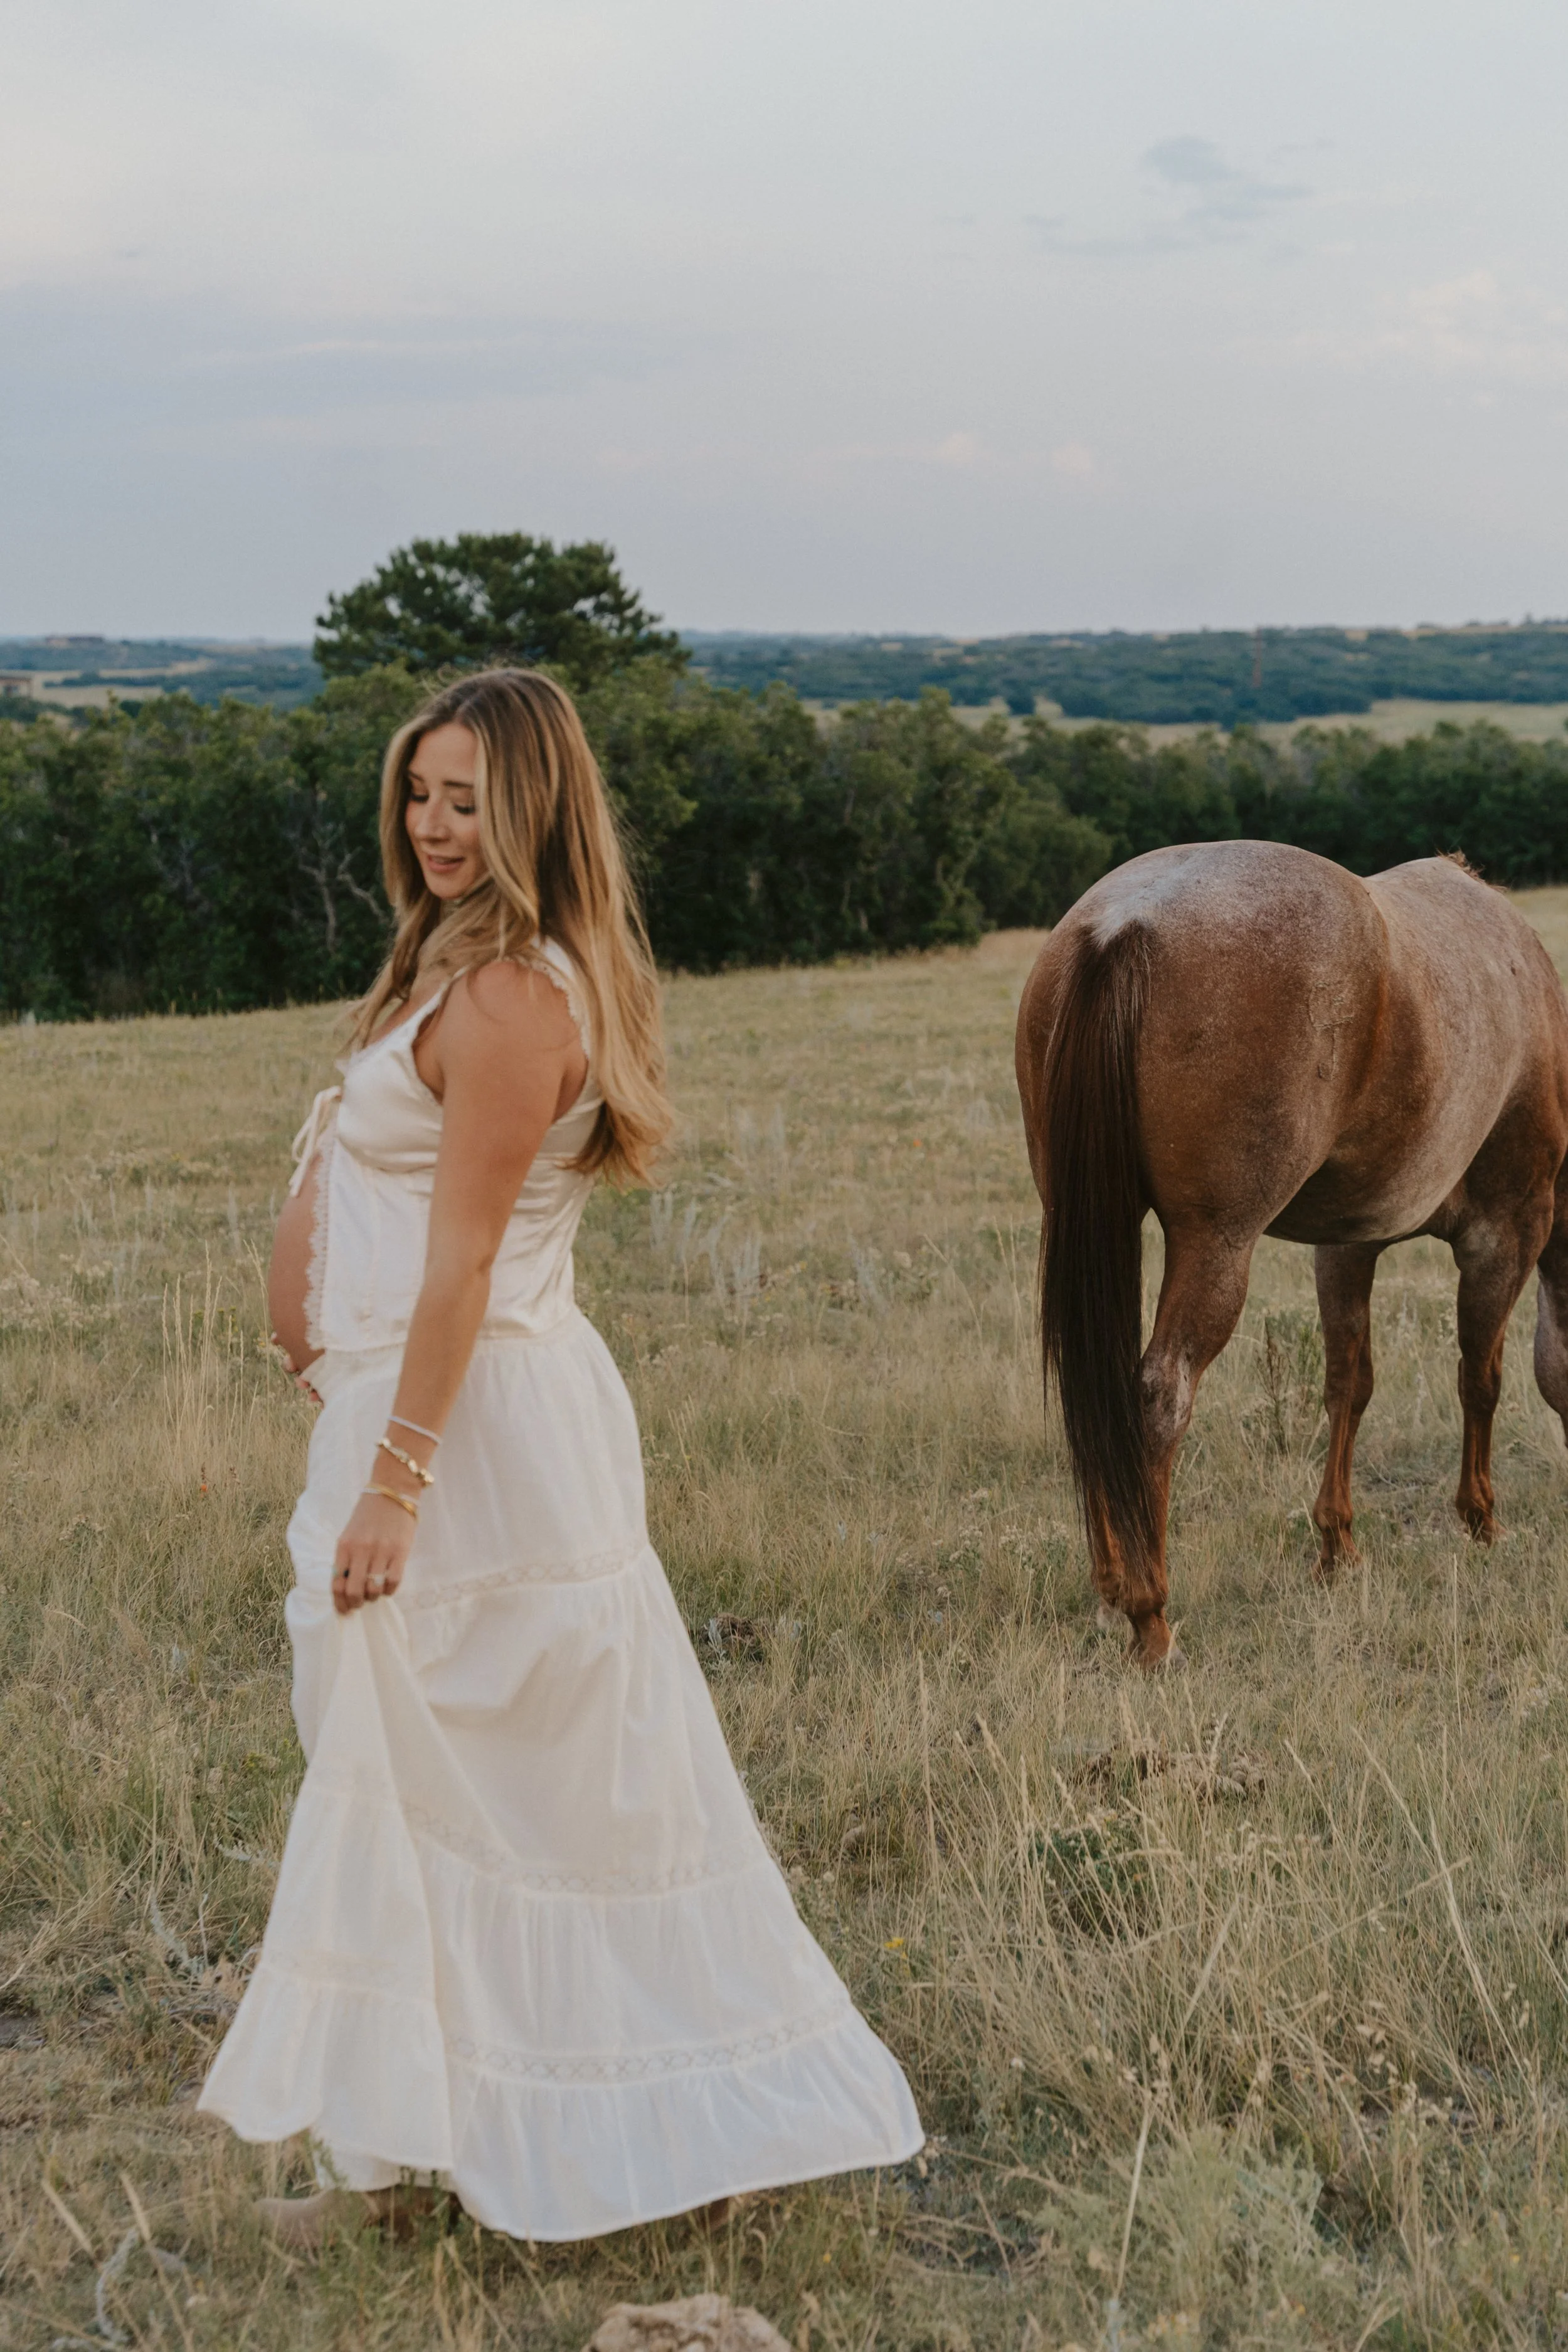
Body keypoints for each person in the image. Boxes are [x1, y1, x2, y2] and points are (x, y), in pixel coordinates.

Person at [198, 668, 922, 2245]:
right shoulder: (449, 963)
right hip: (404, 1420)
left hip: (474, 1451)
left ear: (531, 809)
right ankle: (413, 2148)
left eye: (467, 799)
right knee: (406, 1781)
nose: (433, 825)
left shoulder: (520, 996)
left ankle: (668, 2120)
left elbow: (462, 1265)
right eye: (418, 792)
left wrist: (395, 1475)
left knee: (529, 1794)